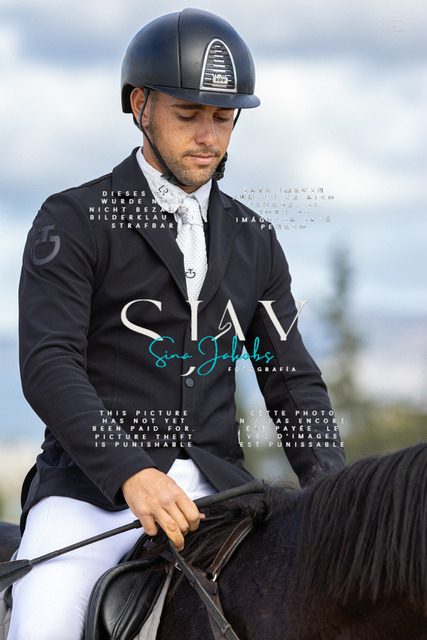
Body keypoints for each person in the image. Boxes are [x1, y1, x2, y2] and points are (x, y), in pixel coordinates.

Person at [9, 8, 345, 639]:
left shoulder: (254, 238)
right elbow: (48, 365)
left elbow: (291, 380)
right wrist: (130, 472)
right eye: (188, 115)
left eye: (224, 118)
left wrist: (337, 495)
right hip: (93, 495)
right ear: (141, 105)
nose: (209, 137)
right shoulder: (73, 220)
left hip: (223, 493)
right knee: (43, 618)